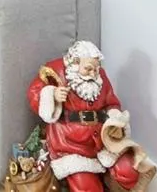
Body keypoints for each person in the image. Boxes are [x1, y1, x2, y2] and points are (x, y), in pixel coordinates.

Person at [27, 41, 145, 191]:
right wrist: (53, 95)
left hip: (103, 141)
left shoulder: (100, 78)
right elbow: (34, 93)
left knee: (128, 172)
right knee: (88, 188)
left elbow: (112, 103)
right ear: (75, 63)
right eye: (88, 69)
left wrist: (115, 119)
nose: (93, 74)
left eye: (96, 69)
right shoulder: (56, 72)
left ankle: (111, 182)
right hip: (71, 145)